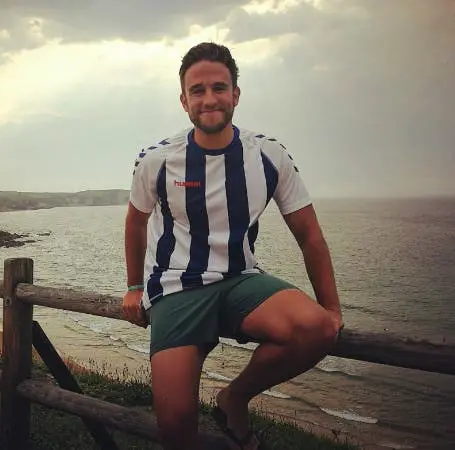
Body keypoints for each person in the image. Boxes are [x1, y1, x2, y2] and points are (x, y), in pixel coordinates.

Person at [122, 42, 343, 450]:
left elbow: (309, 235)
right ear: (184, 100)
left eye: (219, 88)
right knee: (176, 424)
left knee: (318, 329)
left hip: (241, 279)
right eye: (198, 90)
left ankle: (234, 399)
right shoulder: (157, 160)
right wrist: (134, 287)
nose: (209, 99)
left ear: (236, 94)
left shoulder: (268, 156)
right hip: (176, 288)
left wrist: (332, 309)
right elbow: (136, 223)